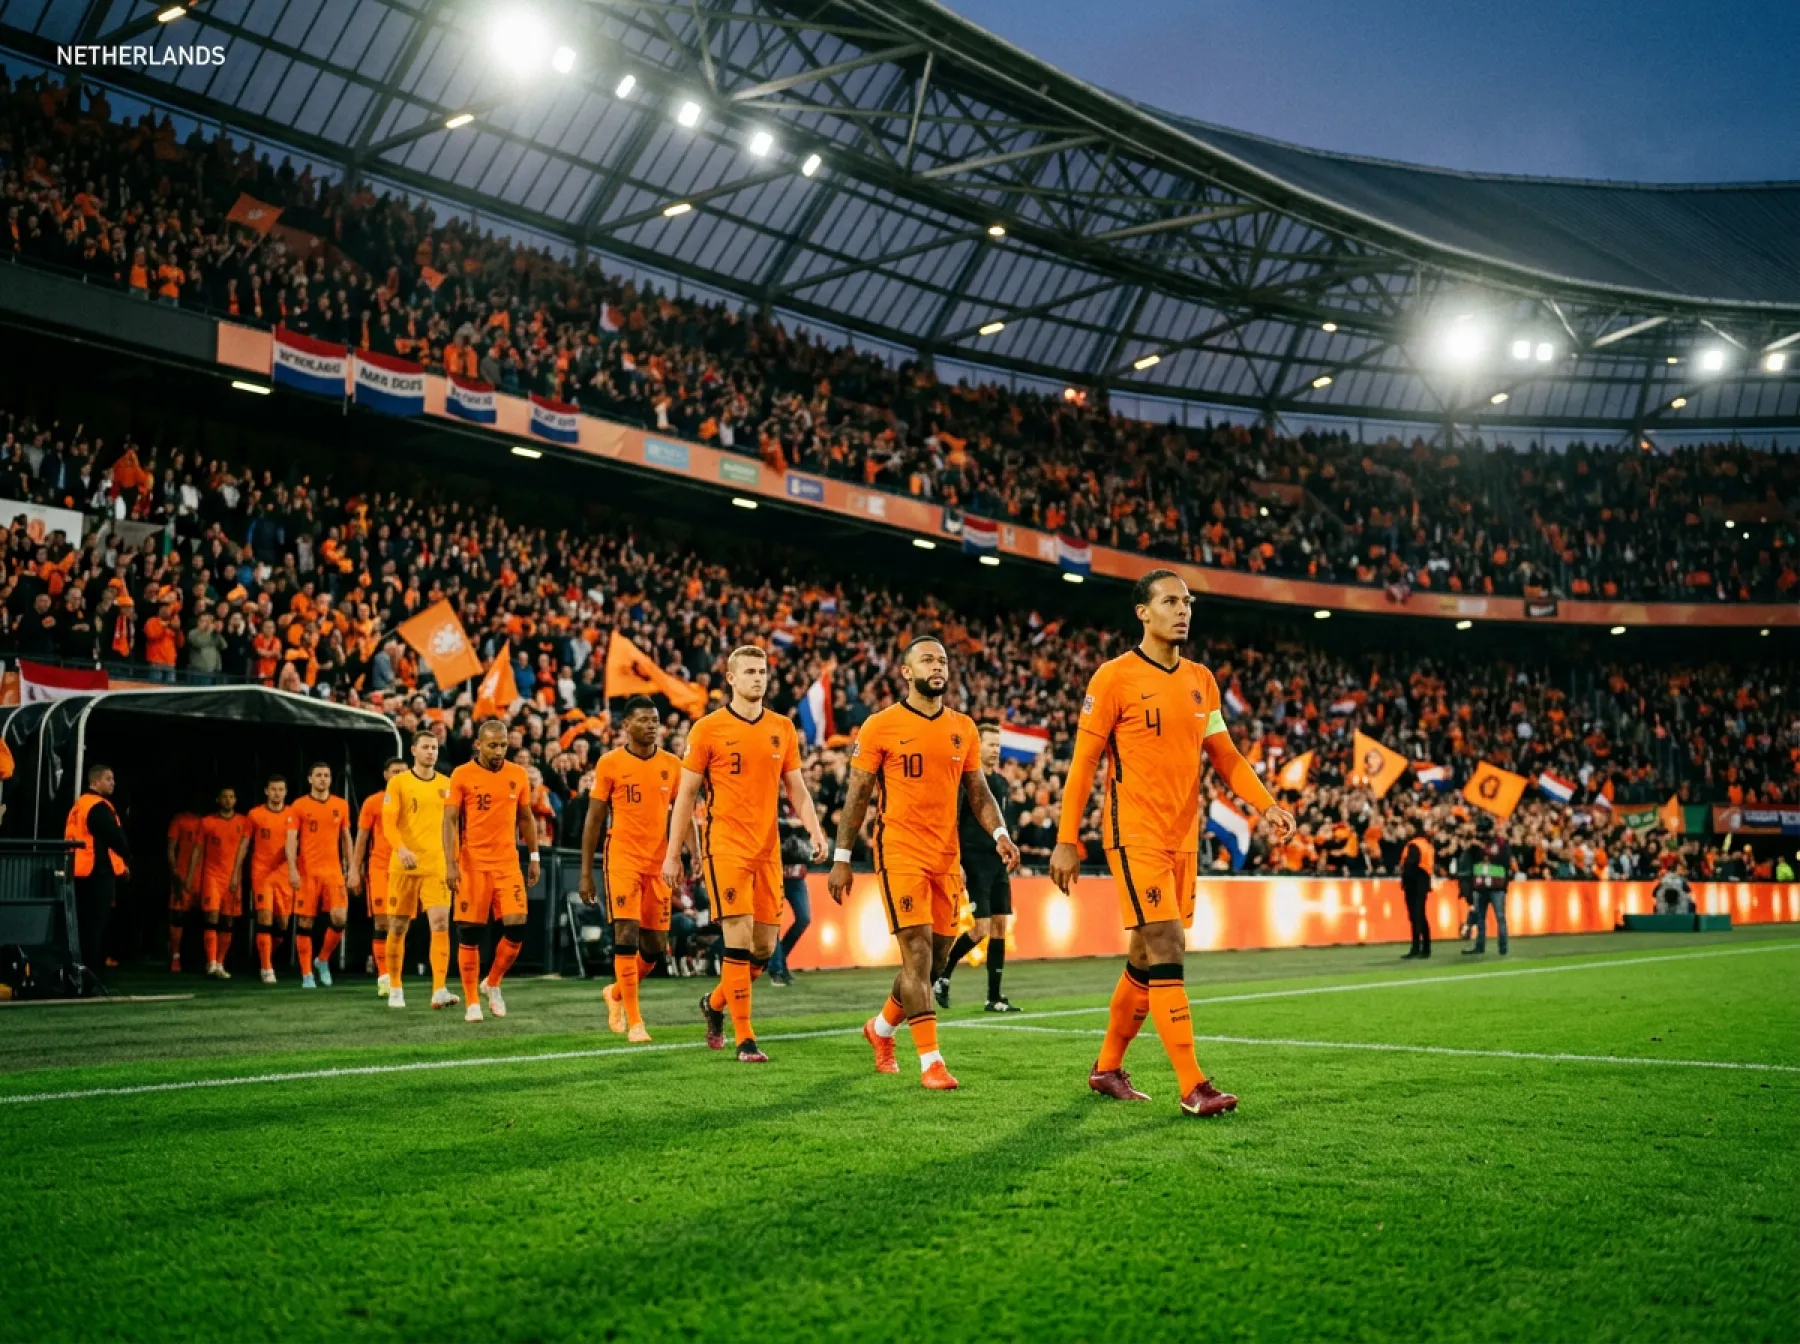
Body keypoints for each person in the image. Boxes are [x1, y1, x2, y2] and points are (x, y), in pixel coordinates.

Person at [1050, 570, 1296, 1116]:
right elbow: (1084, 763)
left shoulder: (1201, 680)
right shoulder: (1113, 678)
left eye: (1187, 602)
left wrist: (1267, 803)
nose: (1182, 610)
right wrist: (1067, 838)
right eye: (1169, 601)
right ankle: (1193, 1086)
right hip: (1133, 831)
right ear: (1143, 611)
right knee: (1167, 945)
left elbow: (1225, 755)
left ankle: (1107, 1068)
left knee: (1143, 956)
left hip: (1183, 837)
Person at [829, 637, 1019, 1090]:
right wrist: (842, 857)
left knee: (932, 965)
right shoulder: (881, 726)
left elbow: (978, 792)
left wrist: (1001, 833)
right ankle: (931, 1062)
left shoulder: (963, 728)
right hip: (900, 853)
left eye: (943, 661)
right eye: (928, 660)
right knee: (915, 955)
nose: (938, 666)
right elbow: (857, 795)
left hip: (946, 858)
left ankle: (879, 1030)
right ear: (906, 671)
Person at [662, 646, 828, 1064]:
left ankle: (714, 1003)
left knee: (761, 949)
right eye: (750, 671)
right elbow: (685, 796)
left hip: (767, 851)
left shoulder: (782, 728)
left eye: (763, 671)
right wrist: (673, 854)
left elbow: (797, 788)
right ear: (731, 679)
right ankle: (745, 1039)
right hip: (726, 847)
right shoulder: (707, 729)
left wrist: (815, 828)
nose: (758, 677)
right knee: (736, 940)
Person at [579, 696, 681, 1042]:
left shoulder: (672, 764)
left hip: (659, 863)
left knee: (654, 947)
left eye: (655, 720)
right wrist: (584, 872)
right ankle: (636, 1022)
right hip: (622, 857)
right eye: (644, 720)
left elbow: (681, 815)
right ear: (625, 725)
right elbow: (594, 819)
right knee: (626, 933)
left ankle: (617, 993)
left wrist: (687, 853)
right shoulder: (609, 763)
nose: (652, 725)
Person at [444, 719, 540, 1022]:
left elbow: (525, 817)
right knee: (470, 933)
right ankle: (472, 1002)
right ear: (479, 744)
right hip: (473, 865)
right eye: (493, 745)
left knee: (517, 925)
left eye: (503, 745)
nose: (499, 751)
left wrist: (534, 856)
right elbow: (449, 821)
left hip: (507, 863)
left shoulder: (518, 774)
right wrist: (451, 862)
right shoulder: (461, 775)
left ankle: (493, 982)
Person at [934, 721, 1021, 1011]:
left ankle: (994, 997)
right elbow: (954, 822)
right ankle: (943, 975)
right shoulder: (967, 781)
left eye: (998, 745)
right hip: (974, 859)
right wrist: (956, 860)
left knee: (999, 925)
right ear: (978, 746)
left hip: (996, 861)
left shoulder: (1001, 783)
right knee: (981, 927)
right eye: (990, 744)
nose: (995, 750)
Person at [381, 731, 455, 1009]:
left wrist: (454, 861)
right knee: (398, 926)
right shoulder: (399, 783)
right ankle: (396, 986)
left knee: (440, 923)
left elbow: (454, 826)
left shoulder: (447, 785)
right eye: (425, 747)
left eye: (434, 748)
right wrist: (401, 849)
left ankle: (439, 989)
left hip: (436, 865)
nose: (431, 752)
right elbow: (388, 823)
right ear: (413, 750)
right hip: (404, 865)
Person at [288, 763, 353, 988]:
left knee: (339, 918)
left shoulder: (340, 805)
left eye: (326, 775)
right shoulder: (299, 806)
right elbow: (291, 839)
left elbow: (346, 837)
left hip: (333, 872)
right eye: (318, 775)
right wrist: (292, 868)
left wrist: (351, 867)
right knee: (305, 921)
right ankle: (307, 974)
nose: (323, 779)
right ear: (310, 779)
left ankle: (322, 959)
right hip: (307, 873)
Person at [65, 763, 131, 985]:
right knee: (96, 927)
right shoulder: (99, 806)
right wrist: (127, 857)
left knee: (84, 926)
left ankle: (81, 974)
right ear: (95, 782)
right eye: (108, 779)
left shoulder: (79, 805)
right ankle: (92, 976)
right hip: (96, 872)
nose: (112, 783)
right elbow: (114, 837)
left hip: (79, 871)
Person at [350, 757, 407, 996]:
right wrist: (354, 869)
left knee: (401, 924)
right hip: (380, 867)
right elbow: (362, 838)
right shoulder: (373, 802)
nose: (399, 776)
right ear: (385, 774)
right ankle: (385, 976)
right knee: (383, 922)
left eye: (403, 772)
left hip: (407, 868)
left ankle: (394, 975)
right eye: (395, 772)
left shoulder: (414, 801)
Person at [193, 786, 251, 980]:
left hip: (233, 877)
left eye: (231, 797)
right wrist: (191, 877)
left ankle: (220, 962)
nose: (228, 800)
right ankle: (210, 963)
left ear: (236, 800)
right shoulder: (207, 822)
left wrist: (236, 875)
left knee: (228, 919)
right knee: (212, 917)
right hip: (212, 876)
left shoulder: (243, 822)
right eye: (224, 797)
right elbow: (198, 850)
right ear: (218, 800)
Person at [245, 776, 295, 984]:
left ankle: (266, 955)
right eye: (273, 789)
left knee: (282, 923)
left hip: (284, 874)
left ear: (285, 792)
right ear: (266, 791)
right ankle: (266, 968)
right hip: (262, 873)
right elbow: (245, 843)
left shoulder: (292, 814)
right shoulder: (255, 815)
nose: (277, 793)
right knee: (264, 917)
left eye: (281, 789)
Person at [1464, 816, 1512, 956]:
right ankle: (1479, 946)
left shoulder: (1501, 843)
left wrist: (1483, 848)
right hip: (1480, 886)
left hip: (1497, 887)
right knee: (1480, 918)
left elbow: (1504, 860)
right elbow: (1471, 860)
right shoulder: (1476, 844)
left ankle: (1503, 948)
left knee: (1500, 917)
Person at [164, 804, 202, 973]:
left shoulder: (208, 821)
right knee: (178, 916)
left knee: (203, 917)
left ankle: (198, 958)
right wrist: (174, 872)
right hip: (183, 873)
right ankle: (175, 956)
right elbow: (171, 849)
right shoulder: (180, 819)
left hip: (205, 876)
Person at [1399, 825, 1436, 960]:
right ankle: (1426, 948)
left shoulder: (1413, 845)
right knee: (1421, 915)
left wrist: (1404, 879)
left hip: (1413, 884)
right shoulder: (1428, 846)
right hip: (1424, 883)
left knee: (1415, 916)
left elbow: (1410, 863)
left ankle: (1416, 948)